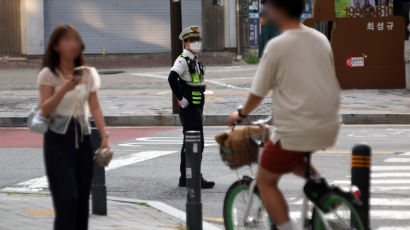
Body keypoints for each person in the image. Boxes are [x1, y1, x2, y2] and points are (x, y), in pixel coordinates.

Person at [227, 0, 341, 229]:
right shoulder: (320, 39)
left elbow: (258, 93)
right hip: (329, 123)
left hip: (297, 127)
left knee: (265, 181)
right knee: (291, 158)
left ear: (278, 11)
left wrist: (240, 113)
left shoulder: (278, 45)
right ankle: (323, 192)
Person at [38, 24, 110, 230]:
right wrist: (65, 88)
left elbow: (95, 107)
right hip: (57, 140)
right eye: (67, 40)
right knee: (67, 199)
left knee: (80, 202)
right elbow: (45, 110)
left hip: (83, 138)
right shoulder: (47, 74)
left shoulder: (88, 74)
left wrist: (104, 135)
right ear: (55, 46)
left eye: (76, 40)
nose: (73, 44)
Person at [168, 26, 215, 189]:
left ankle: (187, 176)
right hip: (189, 109)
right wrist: (181, 98)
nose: (196, 43)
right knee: (195, 143)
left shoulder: (195, 61)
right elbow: (172, 78)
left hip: (196, 108)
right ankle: (192, 177)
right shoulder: (182, 60)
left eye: (197, 40)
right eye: (192, 40)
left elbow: (196, 84)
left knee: (192, 142)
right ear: (185, 43)